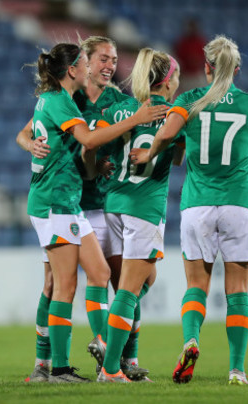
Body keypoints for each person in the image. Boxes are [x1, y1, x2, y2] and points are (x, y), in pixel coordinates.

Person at [130, 35, 248, 386]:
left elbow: (165, 135)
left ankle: (191, 340)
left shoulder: (190, 100)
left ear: (207, 68)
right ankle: (237, 370)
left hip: (198, 205)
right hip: (241, 204)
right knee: (238, 290)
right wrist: (240, 159)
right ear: (236, 70)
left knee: (196, 285)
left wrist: (149, 154)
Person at [24, 42, 167, 383]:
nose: (107, 65)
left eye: (114, 61)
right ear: (80, 65)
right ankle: (50, 365)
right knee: (58, 284)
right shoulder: (66, 100)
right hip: (62, 202)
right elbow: (39, 133)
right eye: (100, 58)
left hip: (99, 204)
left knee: (119, 280)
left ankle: (113, 354)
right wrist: (30, 143)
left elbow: (89, 146)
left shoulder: (115, 100)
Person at [95, 48, 185, 382]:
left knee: (145, 279)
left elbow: (94, 146)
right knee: (129, 290)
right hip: (143, 208)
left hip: (114, 204)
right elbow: (177, 160)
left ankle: (109, 341)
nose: (178, 82)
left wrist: (99, 166)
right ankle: (110, 365)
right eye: (176, 76)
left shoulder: (120, 110)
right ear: (168, 79)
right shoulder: (174, 114)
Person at [173, 18, 208, 94]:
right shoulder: (182, 43)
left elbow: (205, 59)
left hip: (197, 75)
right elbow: (177, 60)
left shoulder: (201, 42)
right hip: (186, 76)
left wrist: (196, 60)